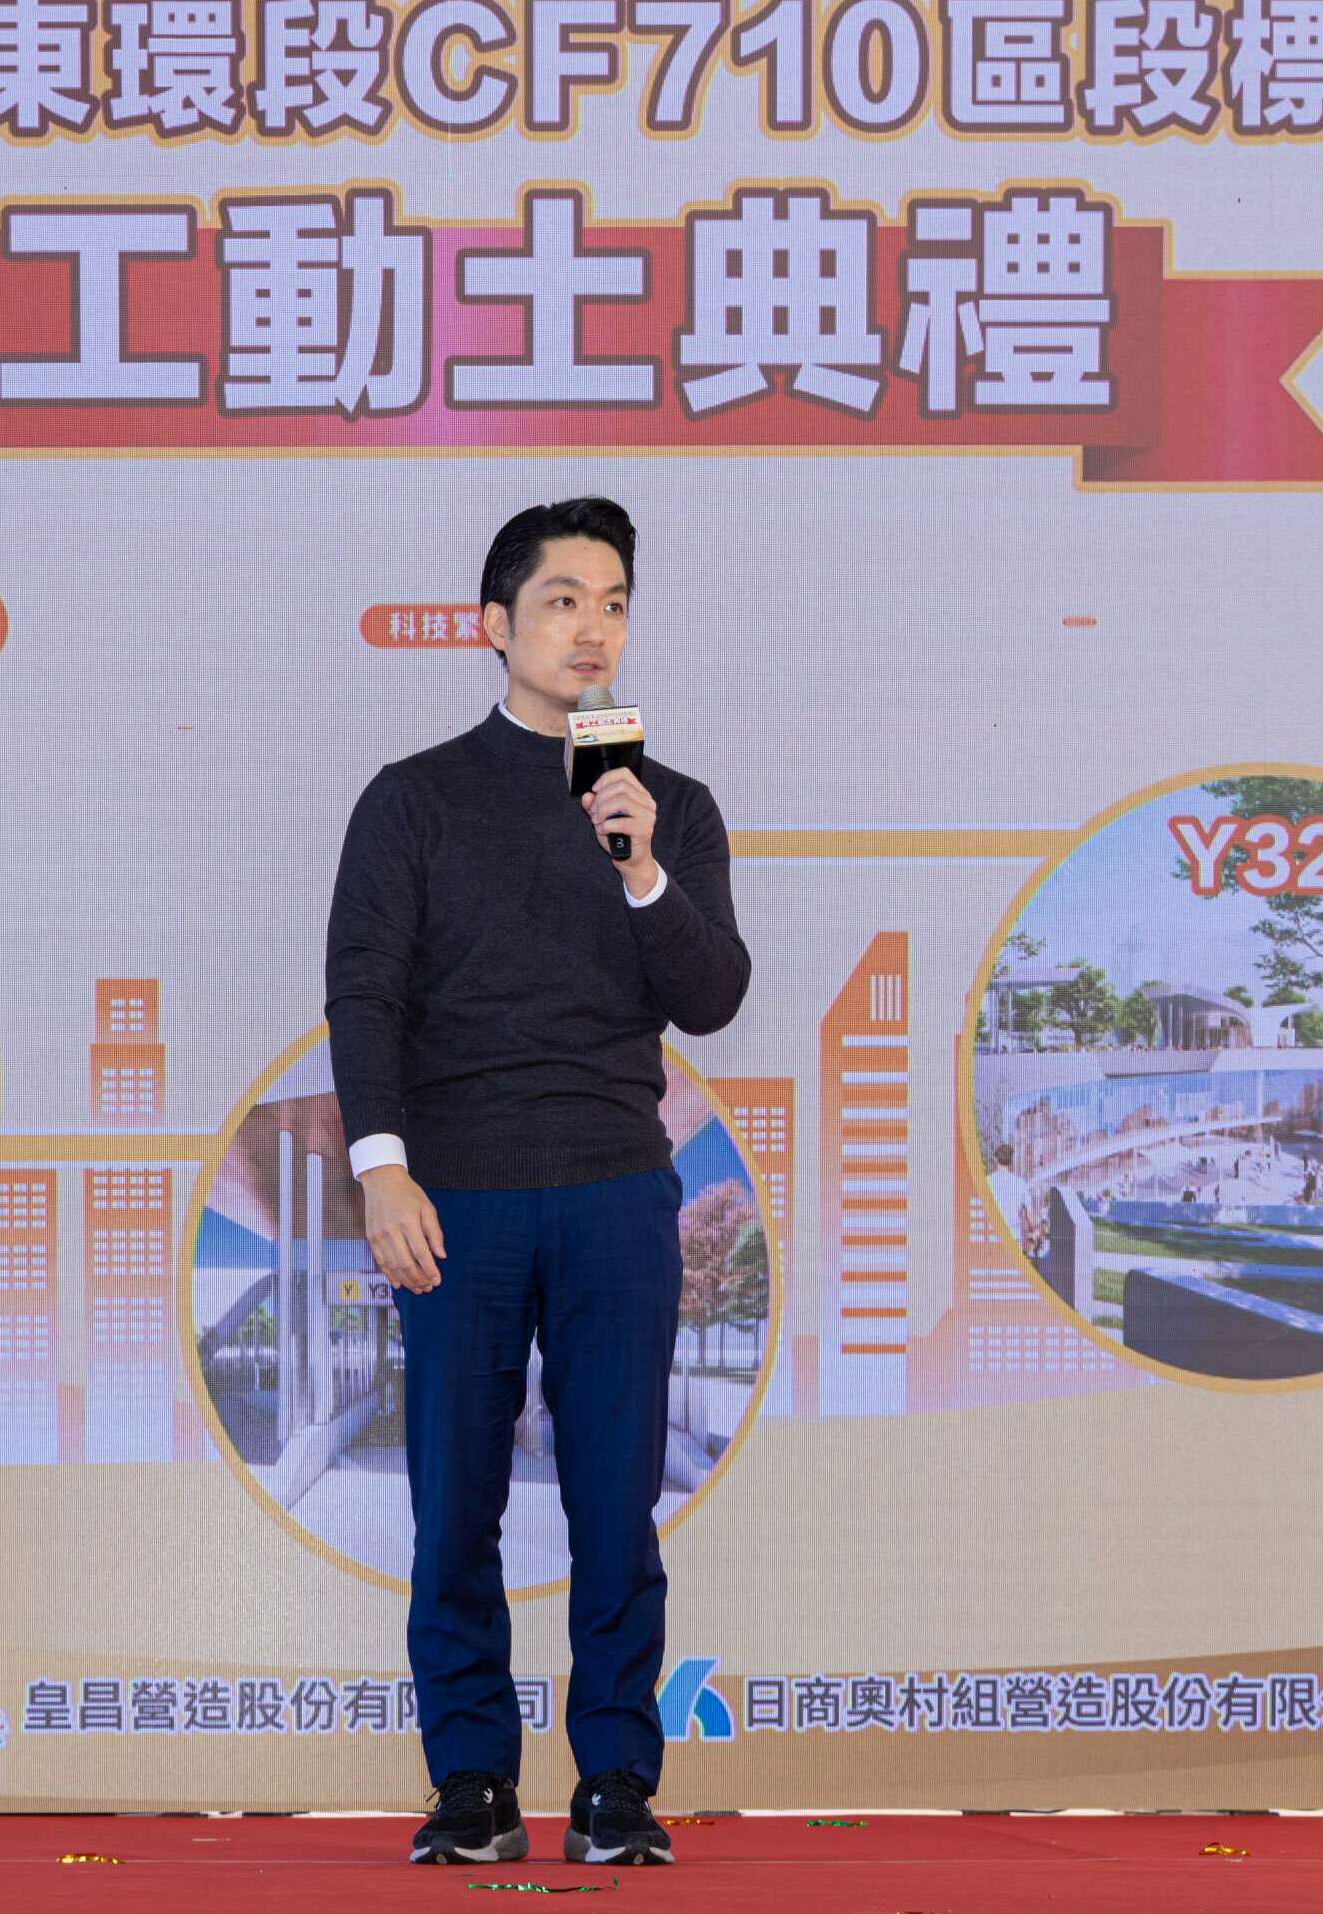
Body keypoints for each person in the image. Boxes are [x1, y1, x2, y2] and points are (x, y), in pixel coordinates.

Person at [326, 497, 748, 1870]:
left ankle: (616, 1781)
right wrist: (383, 1170)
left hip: (618, 1191)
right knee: (456, 1502)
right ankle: (472, 1784)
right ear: (495, 625)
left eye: (613, 602)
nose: (592, 627)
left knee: (615, 1502)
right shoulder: (415, 798)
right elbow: (365, 993)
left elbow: (713, 993)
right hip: (459, 1200)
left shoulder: (667, 807)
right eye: (563, 600)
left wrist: (642, 872)